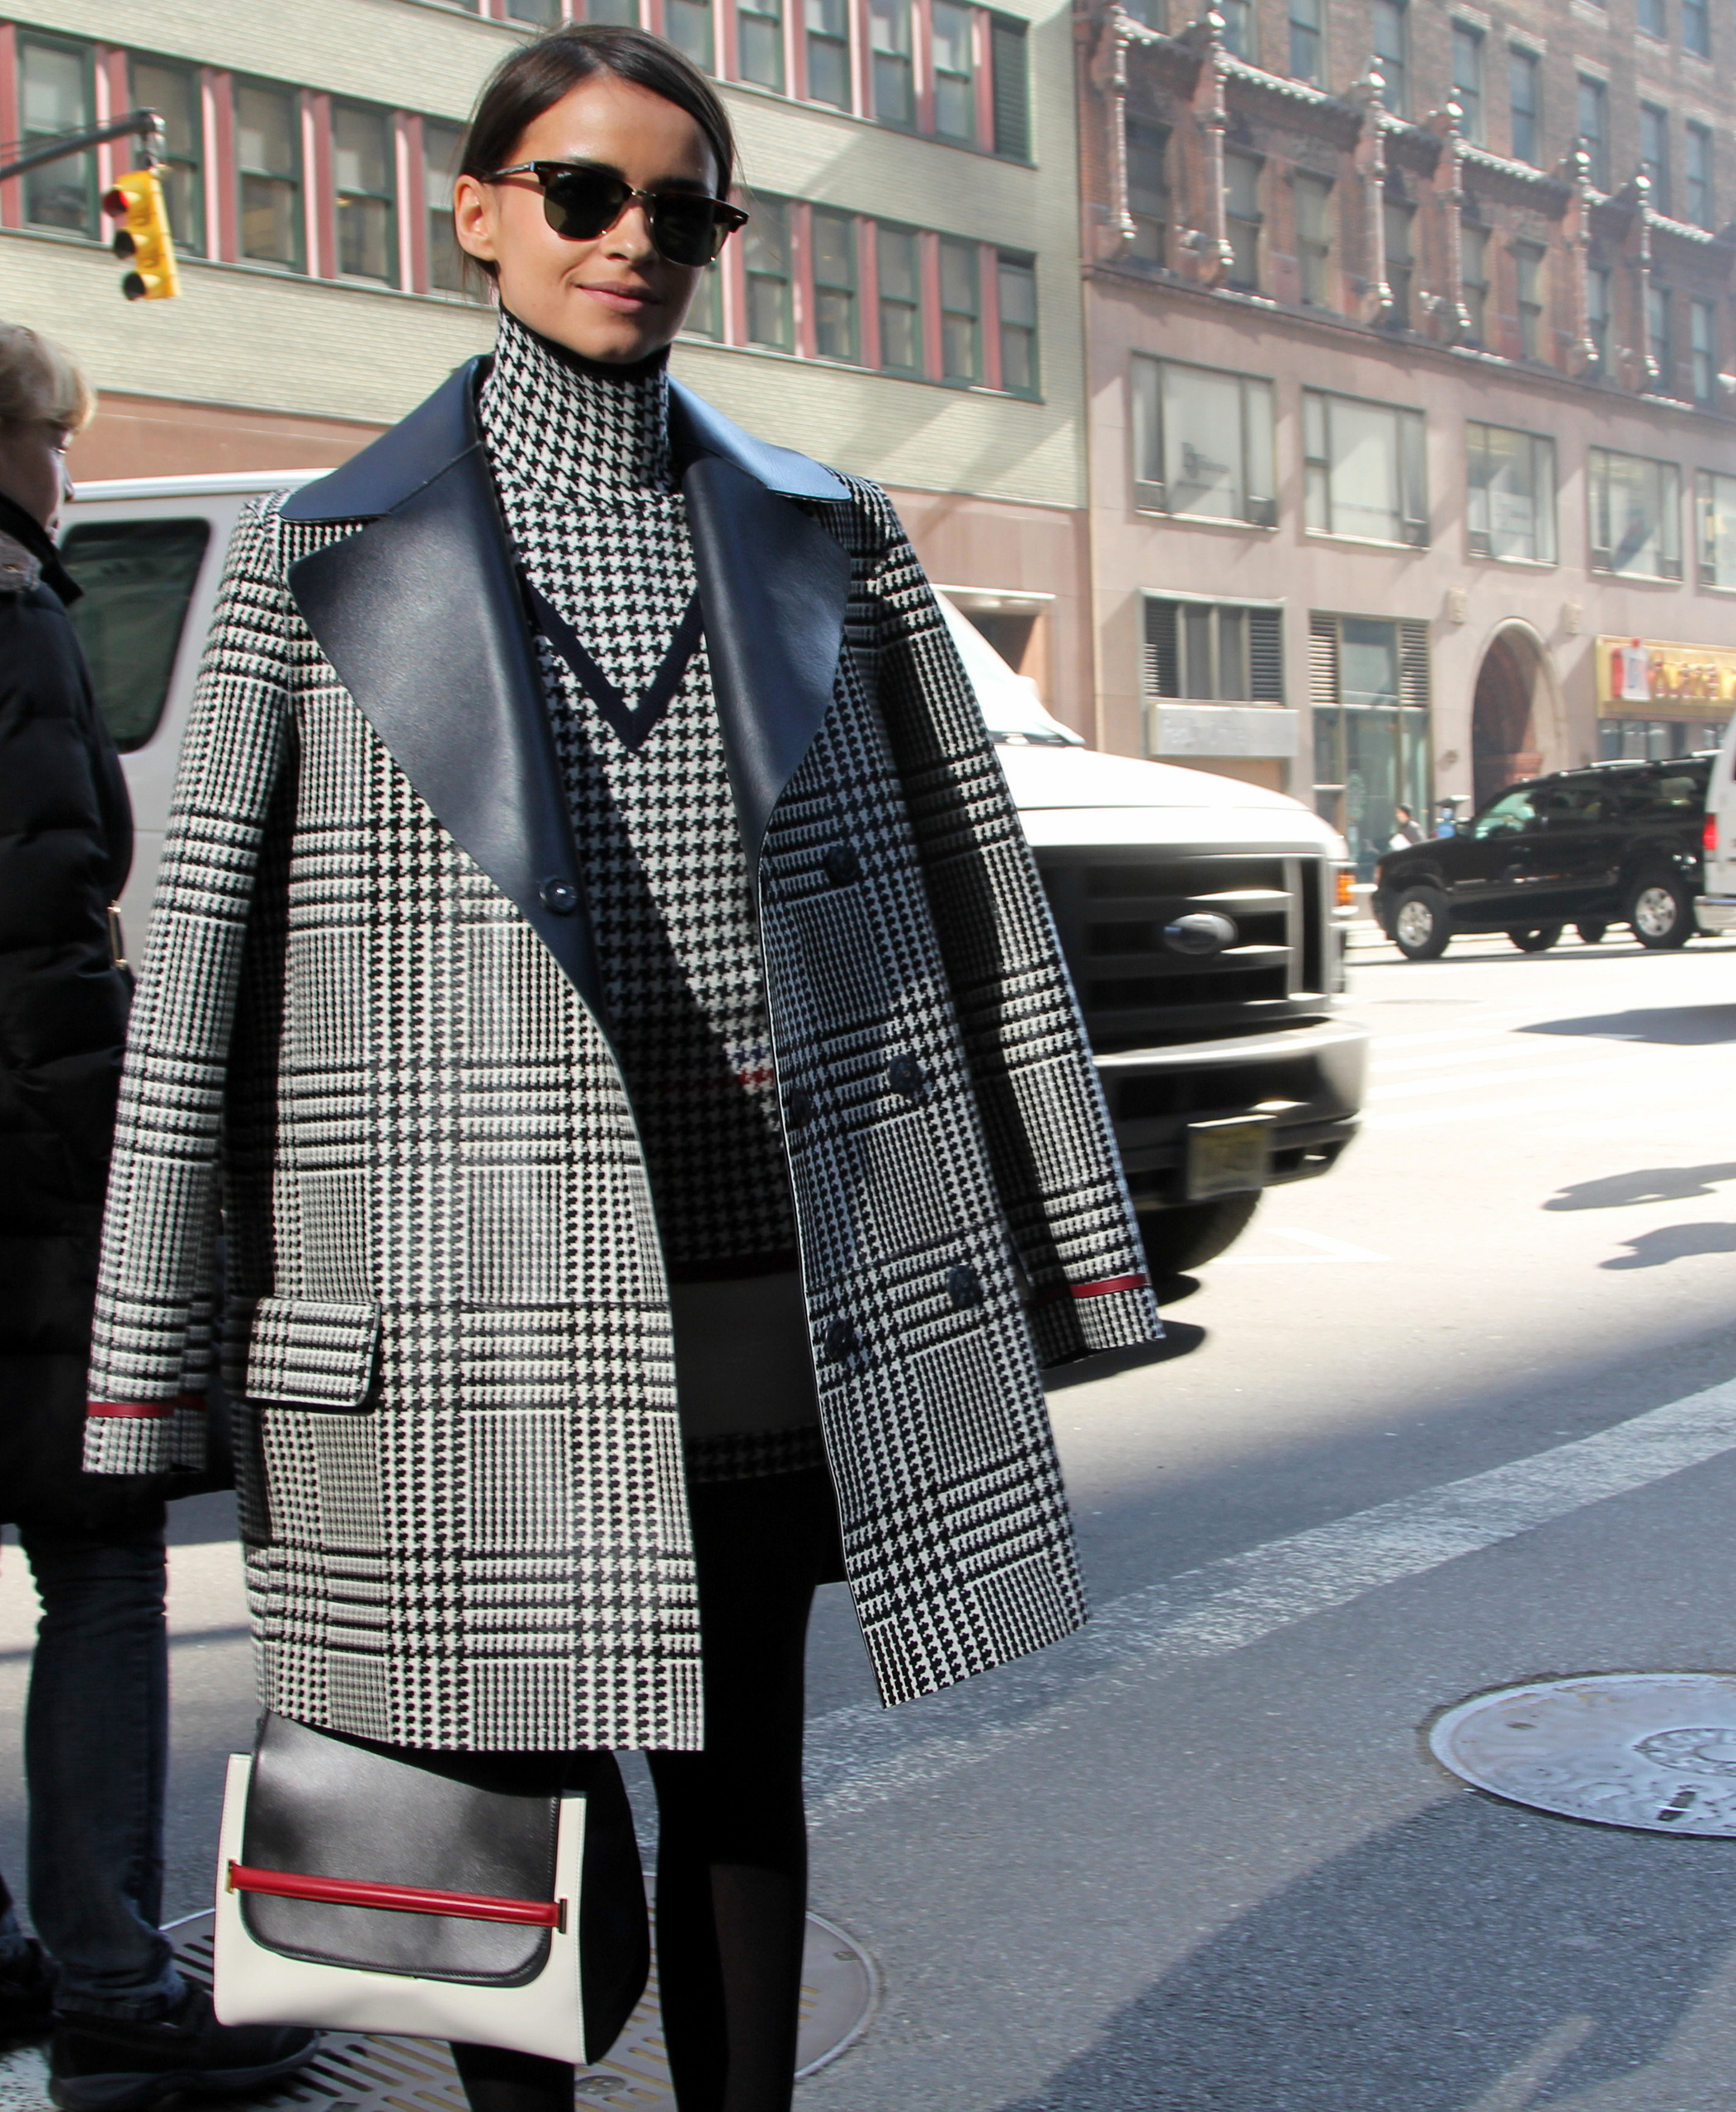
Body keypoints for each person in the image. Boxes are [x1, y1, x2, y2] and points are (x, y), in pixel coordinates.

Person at [78, 27, 1157, 2112]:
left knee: (739, 1761)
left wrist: (1086, 1259)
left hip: (753, 1289)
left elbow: (981, 910)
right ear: (477, 214)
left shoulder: (828, 544)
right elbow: (191, 968)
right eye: (583, 191)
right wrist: (147, 1358)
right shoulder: (319, 564)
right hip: (446, 1304)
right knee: (498, 1816)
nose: (631, 238)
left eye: (681, 204)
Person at [0, 324, 318, 2107]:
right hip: (26, 1178)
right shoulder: (18, 603)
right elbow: (47, 900)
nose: (68, 477)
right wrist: (124, 1155)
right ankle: (116, 1975)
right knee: (104, 1557)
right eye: (55, 440)